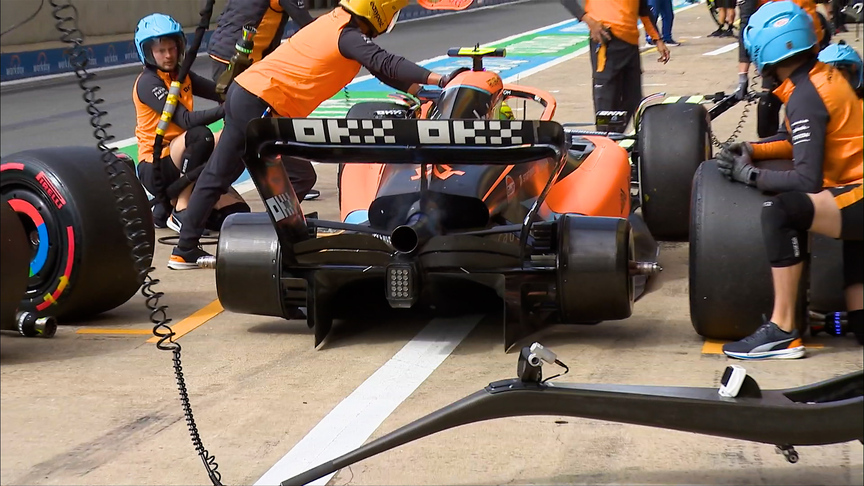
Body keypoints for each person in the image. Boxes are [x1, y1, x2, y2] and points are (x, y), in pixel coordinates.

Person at [168, 0, 457, 269]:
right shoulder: (347, 35)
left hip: (249, 94)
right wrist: (439, 78)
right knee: (226, 175)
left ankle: (206, 243)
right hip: (259, 101)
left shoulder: (337, 24)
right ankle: (192, 248)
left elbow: (383, 70)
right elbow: (385, 63)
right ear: (379, 12)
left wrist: (418, 90)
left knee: (273, 175)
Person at [717, 0, 863, 359]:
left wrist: (750, 175)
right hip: (856, 190)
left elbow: (806, 180)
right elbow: (798, 140)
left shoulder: (807, 96)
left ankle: (782, 329)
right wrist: (751, 148)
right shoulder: (818, 79)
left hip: (859, 195)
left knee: (782, 211)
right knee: (862, 329)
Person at [132, 13, 249, 235]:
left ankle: (165, 208)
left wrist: (246, 95)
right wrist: (225, 110)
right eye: (160, 51)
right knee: (200, 136)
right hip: (155, 164)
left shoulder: (181, 74)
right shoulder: (148, 82)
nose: (168, 55)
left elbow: (219, 92)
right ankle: (181, 209)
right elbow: (184, 119)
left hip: (182, 157)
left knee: (236, 213)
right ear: (147, 53)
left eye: (171, 49)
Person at [560, 0, 671, 133]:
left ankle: (613, 137)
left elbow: (643, 10)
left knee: (633, 97)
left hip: (631, 43)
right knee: (606, 101)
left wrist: (657, 39)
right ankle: (604, 138)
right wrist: (589, 21)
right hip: (606, 39)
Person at [734, 0, 829, 138]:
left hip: (803, 43)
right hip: (783, 45)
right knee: (771, 100)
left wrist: (743, 74)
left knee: (806, 102)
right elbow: (746, 22)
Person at [208, 0, 315, 82]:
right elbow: (309, 25)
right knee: (250, 107)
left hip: (219, 51)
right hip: (243, 60)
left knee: (230, 107)